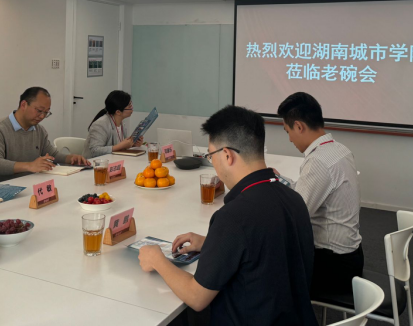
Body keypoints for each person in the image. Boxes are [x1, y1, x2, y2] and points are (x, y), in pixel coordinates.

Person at [137, 105, 318, 326]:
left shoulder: (233, 217)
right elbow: (267, 248)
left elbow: (196, 297)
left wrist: (157, 260)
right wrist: (212, 243)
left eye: (210, 155)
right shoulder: (293, 198)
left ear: (226, 155)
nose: (212, 163)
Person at [276, 91, 363, 296]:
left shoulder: (318, 161)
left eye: (288, 131)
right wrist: (283, 182)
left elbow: (296, 217)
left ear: (299, 126)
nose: (290, 139)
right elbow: (307, 192)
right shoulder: (339, 149)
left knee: (265, 267)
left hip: (334, 266)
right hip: (350, 256)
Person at [0, 86, 88, 183]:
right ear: (23, 105)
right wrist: (29, 165)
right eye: (39, 110)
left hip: (27, 183)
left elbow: (52, 154)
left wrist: (70, 158)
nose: (42, 116)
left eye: (46, 112)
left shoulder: (39, 130)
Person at [83, 90, 143, 158]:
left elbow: (119, 146)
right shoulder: (100, 124)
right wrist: (120, 146)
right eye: (129, 106)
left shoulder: (122, 123)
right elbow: (95, 151)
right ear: (118, 112)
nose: (132, 109)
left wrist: (132, 144)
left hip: (113, 160)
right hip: (95, 162)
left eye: (131, 104)